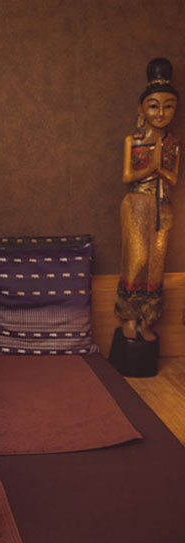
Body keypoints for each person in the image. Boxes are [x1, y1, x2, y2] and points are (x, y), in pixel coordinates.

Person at [116, 58, 180, 341]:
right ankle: (129, 316)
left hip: (163, 204)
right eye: (154, 105)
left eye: (168, 106)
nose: (161, 112)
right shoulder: (135, 140)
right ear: (142, 108)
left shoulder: (173, 143)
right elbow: (128, 176)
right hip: (138, 203)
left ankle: (148, 319)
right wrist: (153, 165)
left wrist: (159, 167)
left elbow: (174, 178)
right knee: (138, 258)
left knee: (157, 262)